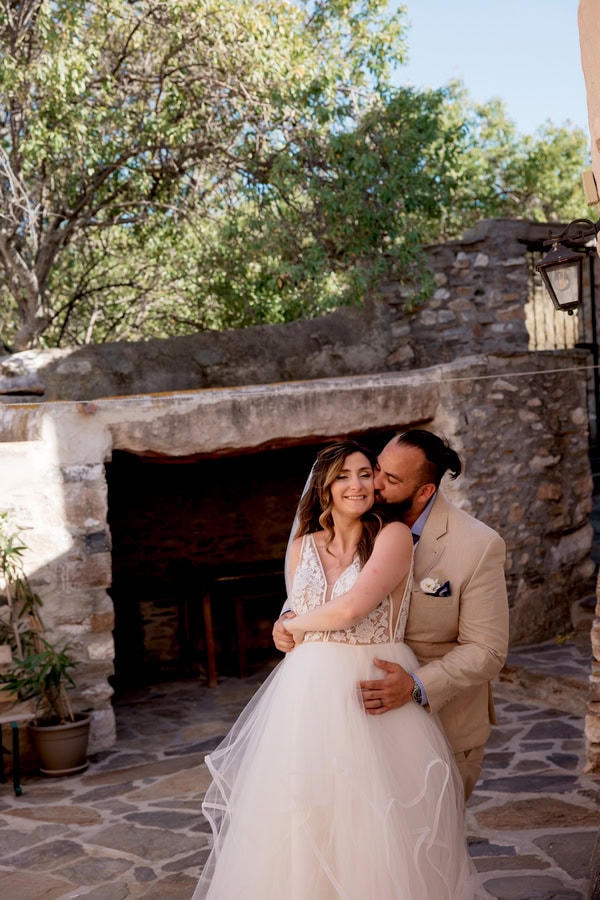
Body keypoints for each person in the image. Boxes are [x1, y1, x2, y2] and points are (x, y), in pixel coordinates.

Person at [194, 440, 488, 899]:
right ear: (324, 487)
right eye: (344, 476)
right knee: (303, 813)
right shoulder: (301, 546)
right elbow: (297, 603)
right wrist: (286, 622)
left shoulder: (392, 536)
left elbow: (351, 609)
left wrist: (290, 626)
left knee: (373, 817)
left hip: (371, 685)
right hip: (306, 691)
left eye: (366, 474)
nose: (359, 484)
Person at [273, 429, 509, 801]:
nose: (374, 483)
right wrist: (287, 616)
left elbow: (487, 649)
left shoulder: (477, 545)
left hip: (441, 718)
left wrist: (416, 685)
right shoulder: (359, 522)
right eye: (376, 469)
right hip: (349, 720)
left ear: (424, 492)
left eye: (391, 479)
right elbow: (322, 584)